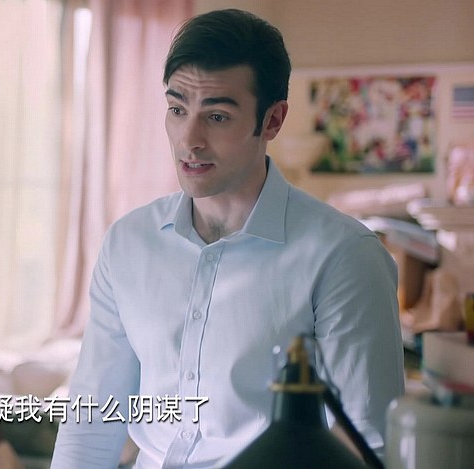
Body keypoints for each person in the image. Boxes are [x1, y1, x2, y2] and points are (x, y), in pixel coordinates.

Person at [50, 8, 404, 469]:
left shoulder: (344, 256)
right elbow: (92, 421)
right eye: (177, 110)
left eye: (217, 116)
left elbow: (366, 444)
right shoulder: (128, 243)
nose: (189, 140)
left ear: (272, 121)